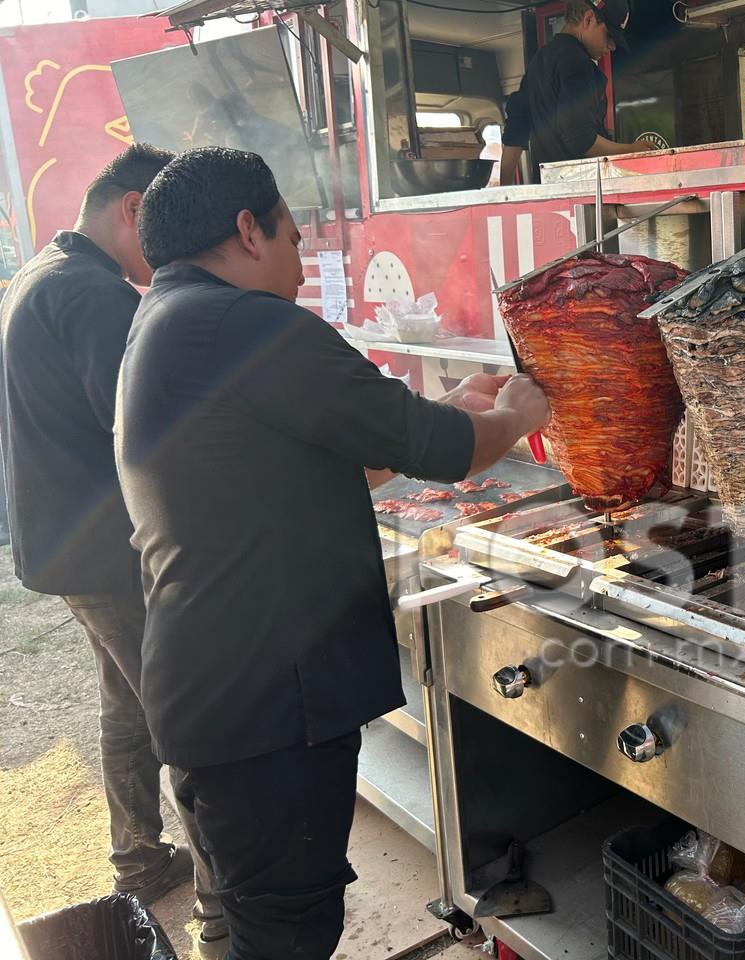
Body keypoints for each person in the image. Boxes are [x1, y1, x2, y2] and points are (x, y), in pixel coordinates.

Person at [117, 146, 549, 960]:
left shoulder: (170, 318)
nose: (302, 255)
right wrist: (517, 412)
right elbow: (445, 451)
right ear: (248, 230)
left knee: (263, 923)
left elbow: (333, 449)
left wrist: (450, 408)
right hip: (263, 718)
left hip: (213, 699)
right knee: (285, 936)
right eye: (290, 234)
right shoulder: (244, 325)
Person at [0, 145, 229, 957]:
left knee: (127, 707)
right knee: (186, 720)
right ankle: (219, 905)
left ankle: (139, 859)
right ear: (132, 207)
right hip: (108, 551)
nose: (164, 255)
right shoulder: (91, 296)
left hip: (65, 546)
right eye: (158, 229)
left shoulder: (43, 272)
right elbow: (143, 429)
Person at [500, 0, 649, 185]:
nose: (612, 46)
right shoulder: (578, 62)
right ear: (588, 19)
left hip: (548, 193)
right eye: (609, 35)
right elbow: (580, 139)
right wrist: (631, 150)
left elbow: (516, 130)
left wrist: (504, 190)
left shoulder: (539, 61)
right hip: (580, 193)